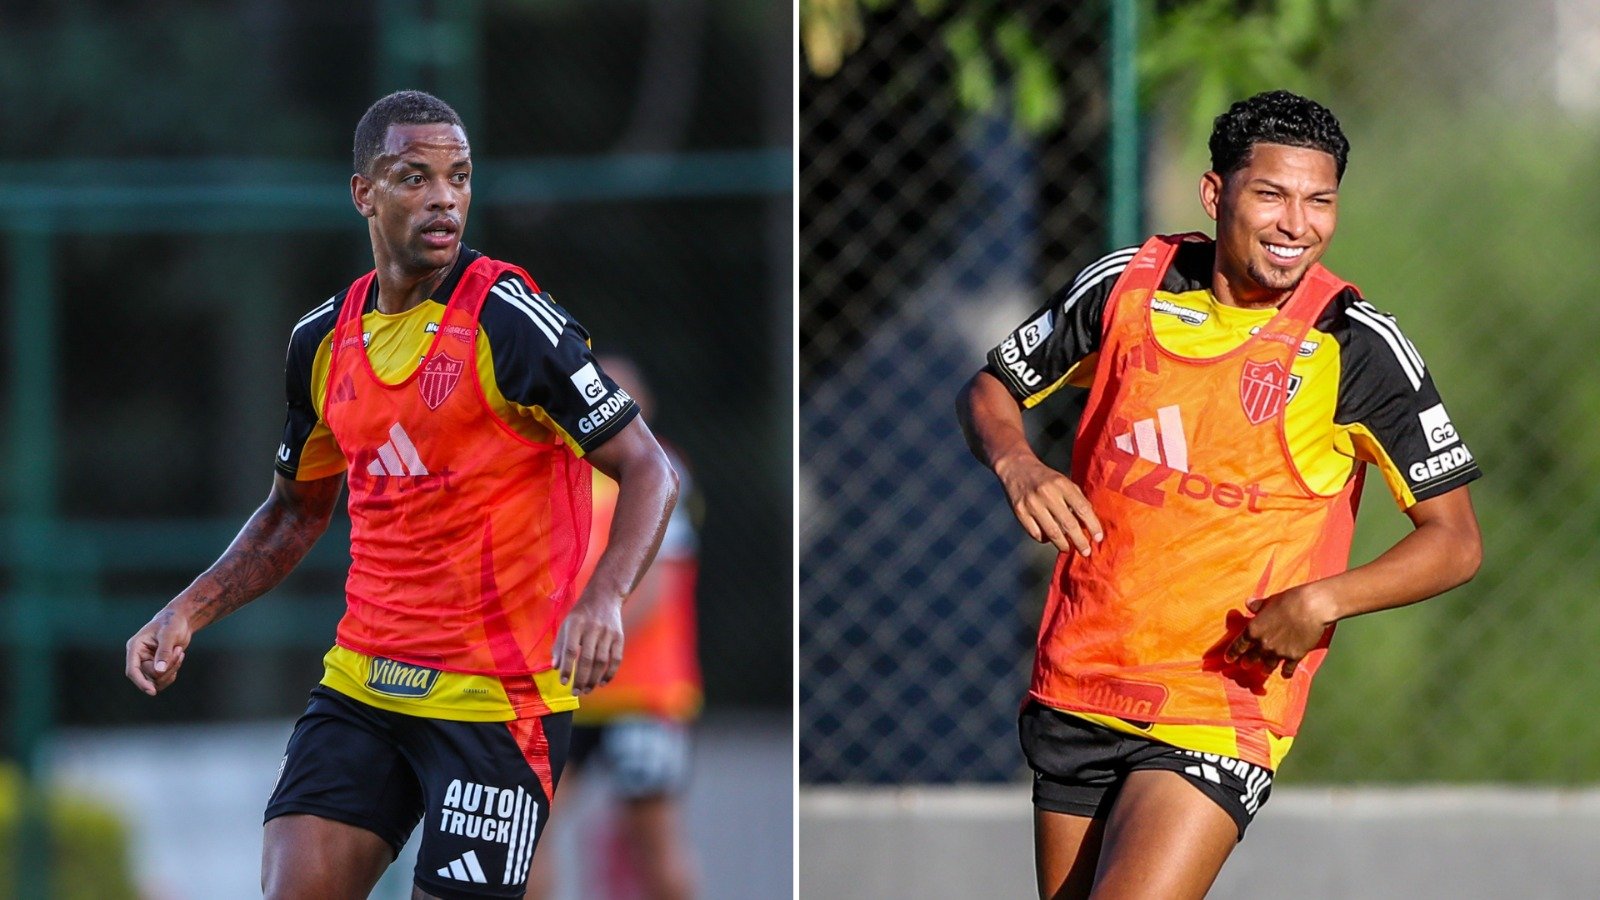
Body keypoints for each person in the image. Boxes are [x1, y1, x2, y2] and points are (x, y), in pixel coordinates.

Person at [123, 90, 680, 900]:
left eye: (458, 177)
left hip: (498, 701)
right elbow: (292, 510)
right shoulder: (321, 341)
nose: (444, 197)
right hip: (364, 684)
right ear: (364, 193)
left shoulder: (509, 321)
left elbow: (648, 467)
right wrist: (187, 612)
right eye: (414, 177)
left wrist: (604, 598)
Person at [956, 90, 1483, 899]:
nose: (1296, 223)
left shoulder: (1354, 345)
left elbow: (1454, 540)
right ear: (1216, 195)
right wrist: (1018, 464)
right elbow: (991, 387)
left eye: (1319, 200)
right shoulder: (1127, 287)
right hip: (1080, 678)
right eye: (1272, 194)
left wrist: (1322, 602)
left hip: (1219, 705)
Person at [525, 356, 702, 900]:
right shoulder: (558, 472)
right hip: (562, 690)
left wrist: (592, 639)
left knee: (653, 843)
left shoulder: (661, 472)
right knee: (529, 833)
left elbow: (657, 588)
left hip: (642, 692)